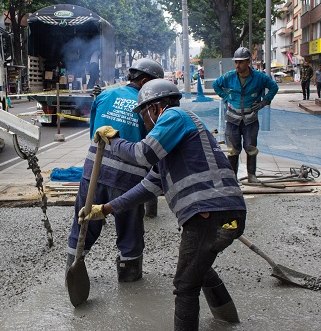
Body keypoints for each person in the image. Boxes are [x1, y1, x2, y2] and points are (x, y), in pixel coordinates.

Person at [81, 79, 247, 330]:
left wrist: (113, 139)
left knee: (185, 287)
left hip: (207, 213)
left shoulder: (174, 116)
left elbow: (141, 153)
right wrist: (105, 209)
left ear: (156, 108)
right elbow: (146, 188)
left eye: (144, 118)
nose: (144, 125)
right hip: (224, 212)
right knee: (199, 269)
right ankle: (228, 318)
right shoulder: (171, 148)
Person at [66, 58, 164, 282]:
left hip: (94, 172)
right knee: (130, 230)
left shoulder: (105, 96)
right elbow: (152, 144)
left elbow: (94, 133)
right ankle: (130, 280)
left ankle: (71, 274)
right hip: (128, 178)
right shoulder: (148, 105)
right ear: (146, 81)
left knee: (83, 222)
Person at [212, 47, 279, 183]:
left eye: (241, 62)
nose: (238, 65)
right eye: (236, 62)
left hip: (250, 120)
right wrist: (226, 97)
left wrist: (264, 102)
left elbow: (274, 87)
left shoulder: (259, 78)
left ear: (248, 62)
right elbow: (216, 85)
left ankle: (251, 176)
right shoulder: (229, 76)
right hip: (232, 120)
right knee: (233, 150)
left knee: (251, 148)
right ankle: (232, 177)